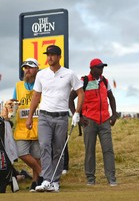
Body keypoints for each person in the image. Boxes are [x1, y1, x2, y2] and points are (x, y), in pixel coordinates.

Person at [26, 45, 84, 192]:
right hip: (44, 116)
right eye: (48, 55)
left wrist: (77, 112)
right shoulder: (41, 74)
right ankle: (46, 179)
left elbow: (81, 93)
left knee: (58, 149)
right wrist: (30, 116)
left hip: (61, 117)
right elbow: (36, 96)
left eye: (52, 55)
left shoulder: (69, 74)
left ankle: (55, 181)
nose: (49, 57)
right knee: (45, 146)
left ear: (59, 57)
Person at [69, 58, 118, 186]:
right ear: (92, 68)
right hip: (89, 121)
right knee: (89, 150)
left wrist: (114, 114)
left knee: (108, 150)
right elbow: (71, 98)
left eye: (102, 67)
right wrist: (77, 115)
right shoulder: (84, 81)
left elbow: (111, 98)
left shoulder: (104, 81)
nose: (101, 70)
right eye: (99, 67)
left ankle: (111, 178)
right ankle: (90, 179)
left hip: (105, 121)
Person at [12, 58, 42, 192]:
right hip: (22, 126)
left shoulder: (42, 84)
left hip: (38, 124)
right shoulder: (18, 85)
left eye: (30, 67)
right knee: (21, 152)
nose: (27, 70)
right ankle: (43, 173)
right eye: (25, 68)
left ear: (36, 69)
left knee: (36, 156)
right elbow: (14, 101)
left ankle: (35, 182)